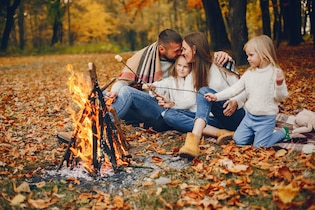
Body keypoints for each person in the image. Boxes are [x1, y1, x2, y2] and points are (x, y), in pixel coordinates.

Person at [105, 29, 232, 132]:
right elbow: (124, 81)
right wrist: (115, 91)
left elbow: (201, 56)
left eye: (182, 49)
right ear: (161, 49)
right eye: (177, 50)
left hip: (168, 108)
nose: (180, 53)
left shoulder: (189, 62)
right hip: (160, 103)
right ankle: (98, 116)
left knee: (128, 92)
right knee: (108, 95)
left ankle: (105, 122)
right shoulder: (145, 58)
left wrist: (222, 55)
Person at [204, 35, 290, 148]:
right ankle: (258, 135)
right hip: (249, 117)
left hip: (265, 119)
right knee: (238, 140)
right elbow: (234, 89)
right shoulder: (250, 73)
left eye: (251, 55)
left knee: (259, 146)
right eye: (247, 55)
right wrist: (216, 97)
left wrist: (279, 84)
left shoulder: (275, 73)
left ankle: (283, 132)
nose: (248, 58)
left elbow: (281, 97)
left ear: (263, 54)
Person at [173, 32, 247, 159]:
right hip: (213, 121)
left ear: (194, 49)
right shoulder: (192, 73)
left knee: (204, 92)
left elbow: (244, 88)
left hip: (233, 114)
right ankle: (222, 133)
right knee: (169, 114)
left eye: (184, 49)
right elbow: (190, 102)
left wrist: (235, 101)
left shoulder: (221, 63)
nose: (182, 53)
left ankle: (193, 141)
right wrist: (172, 104)